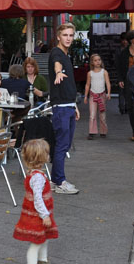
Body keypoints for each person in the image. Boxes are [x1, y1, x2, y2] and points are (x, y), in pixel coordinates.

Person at [13, 139, 59, 264]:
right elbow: (37, 198)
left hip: (37, 214)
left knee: (44, 238)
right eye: (47, 153)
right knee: (36, 243)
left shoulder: (33, 173)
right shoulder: (38, 177)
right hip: (38, 216)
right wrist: (45, 215)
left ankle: (42, 260)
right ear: (41, 157)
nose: (49, 155)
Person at [48, 23, 80, 195]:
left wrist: (74, 105)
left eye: (71, 35)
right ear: (58, 36)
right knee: (62, 145)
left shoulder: (66, 54)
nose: (68, 38)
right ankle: (60, 182)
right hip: (61, 107)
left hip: (67, 105)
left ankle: (55, 180)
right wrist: (58, 72)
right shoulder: (57, 53)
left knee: (64, 145)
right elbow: (56, 64)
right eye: (65, 35)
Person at [83, 54, 111, 139]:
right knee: (92, 115)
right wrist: (85, 96)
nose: (98, 62)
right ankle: (91, 132)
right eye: (95, 60)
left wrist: (108, 93)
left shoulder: (104, 72)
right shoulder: (90, 73)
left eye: (99, 60)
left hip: (102, 95)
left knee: (102, 115)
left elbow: (108, 83)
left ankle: (103, 131)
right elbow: (87, 85)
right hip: (92, 95)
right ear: (92, 62)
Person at [112, 34, 131, 115]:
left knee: (128, 91)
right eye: (123, 40)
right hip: (121, 72)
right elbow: (116, 62)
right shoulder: (118, 50)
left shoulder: (130, 49)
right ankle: (122, 107)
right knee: (121, 91)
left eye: (126, 40)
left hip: (129, 73)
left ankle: (127, 107)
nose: (125, 42)